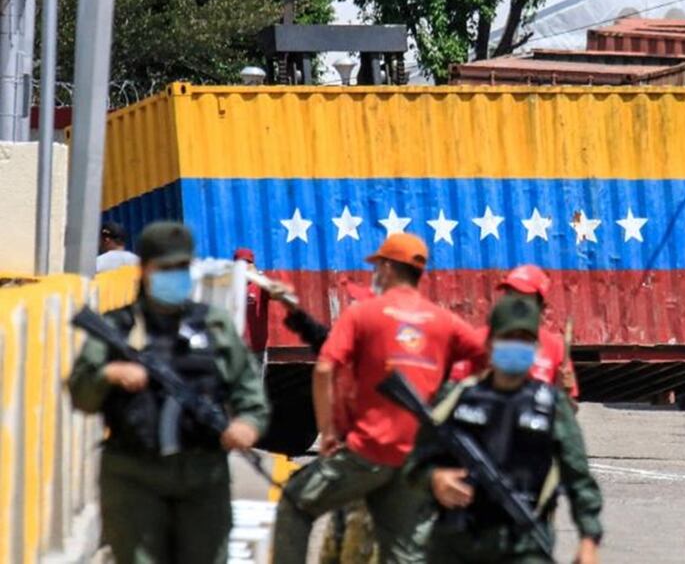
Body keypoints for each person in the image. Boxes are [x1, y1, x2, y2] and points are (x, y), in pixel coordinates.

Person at [271, 233, 488, 564]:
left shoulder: (364, 314)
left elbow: (325, 367)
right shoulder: (444, 321)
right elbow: (487, 361)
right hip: (415, 459)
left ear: (386, 267)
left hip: (368, 451)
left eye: (378, 267)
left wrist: (327, 431)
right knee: (403, 553)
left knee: (294, 502)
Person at [68, 222, 269, 564]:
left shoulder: (214, 325)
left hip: (203, 475)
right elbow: (80, 393)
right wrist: (110, 374)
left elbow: (249, 393)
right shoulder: (117, 327)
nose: (175, 276)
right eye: (166, 268)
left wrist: (247, 424)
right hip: (134, 474)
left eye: (181, 267)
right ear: (145, 269)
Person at [404, 296, 603, 564]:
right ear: (489, 343)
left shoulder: (552, 406)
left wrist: (588, 540)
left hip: (523, 544)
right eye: (508, 338)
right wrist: (435, 479)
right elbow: (413, 463)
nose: (516, 346)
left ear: (536, 348)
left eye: (524, 340)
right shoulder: (456, 398)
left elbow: (579, 479)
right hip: (456, 543)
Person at [449, 265, 579, 401]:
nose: (513, 301)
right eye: (509, 293)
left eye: (522, 295)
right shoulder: (476, 340)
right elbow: (451, 397)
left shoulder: (555, 348)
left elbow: (568, 408)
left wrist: (562, 393)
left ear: (540, 306)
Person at [235, 248, 271, 353]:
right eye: (241, 263)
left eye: (248, 263)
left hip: (257, 347)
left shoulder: (260, 285)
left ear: (253, 265)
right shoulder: (229, 286)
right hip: (236, 348)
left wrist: (259, 278)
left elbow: (276, 294)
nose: (244, 266)